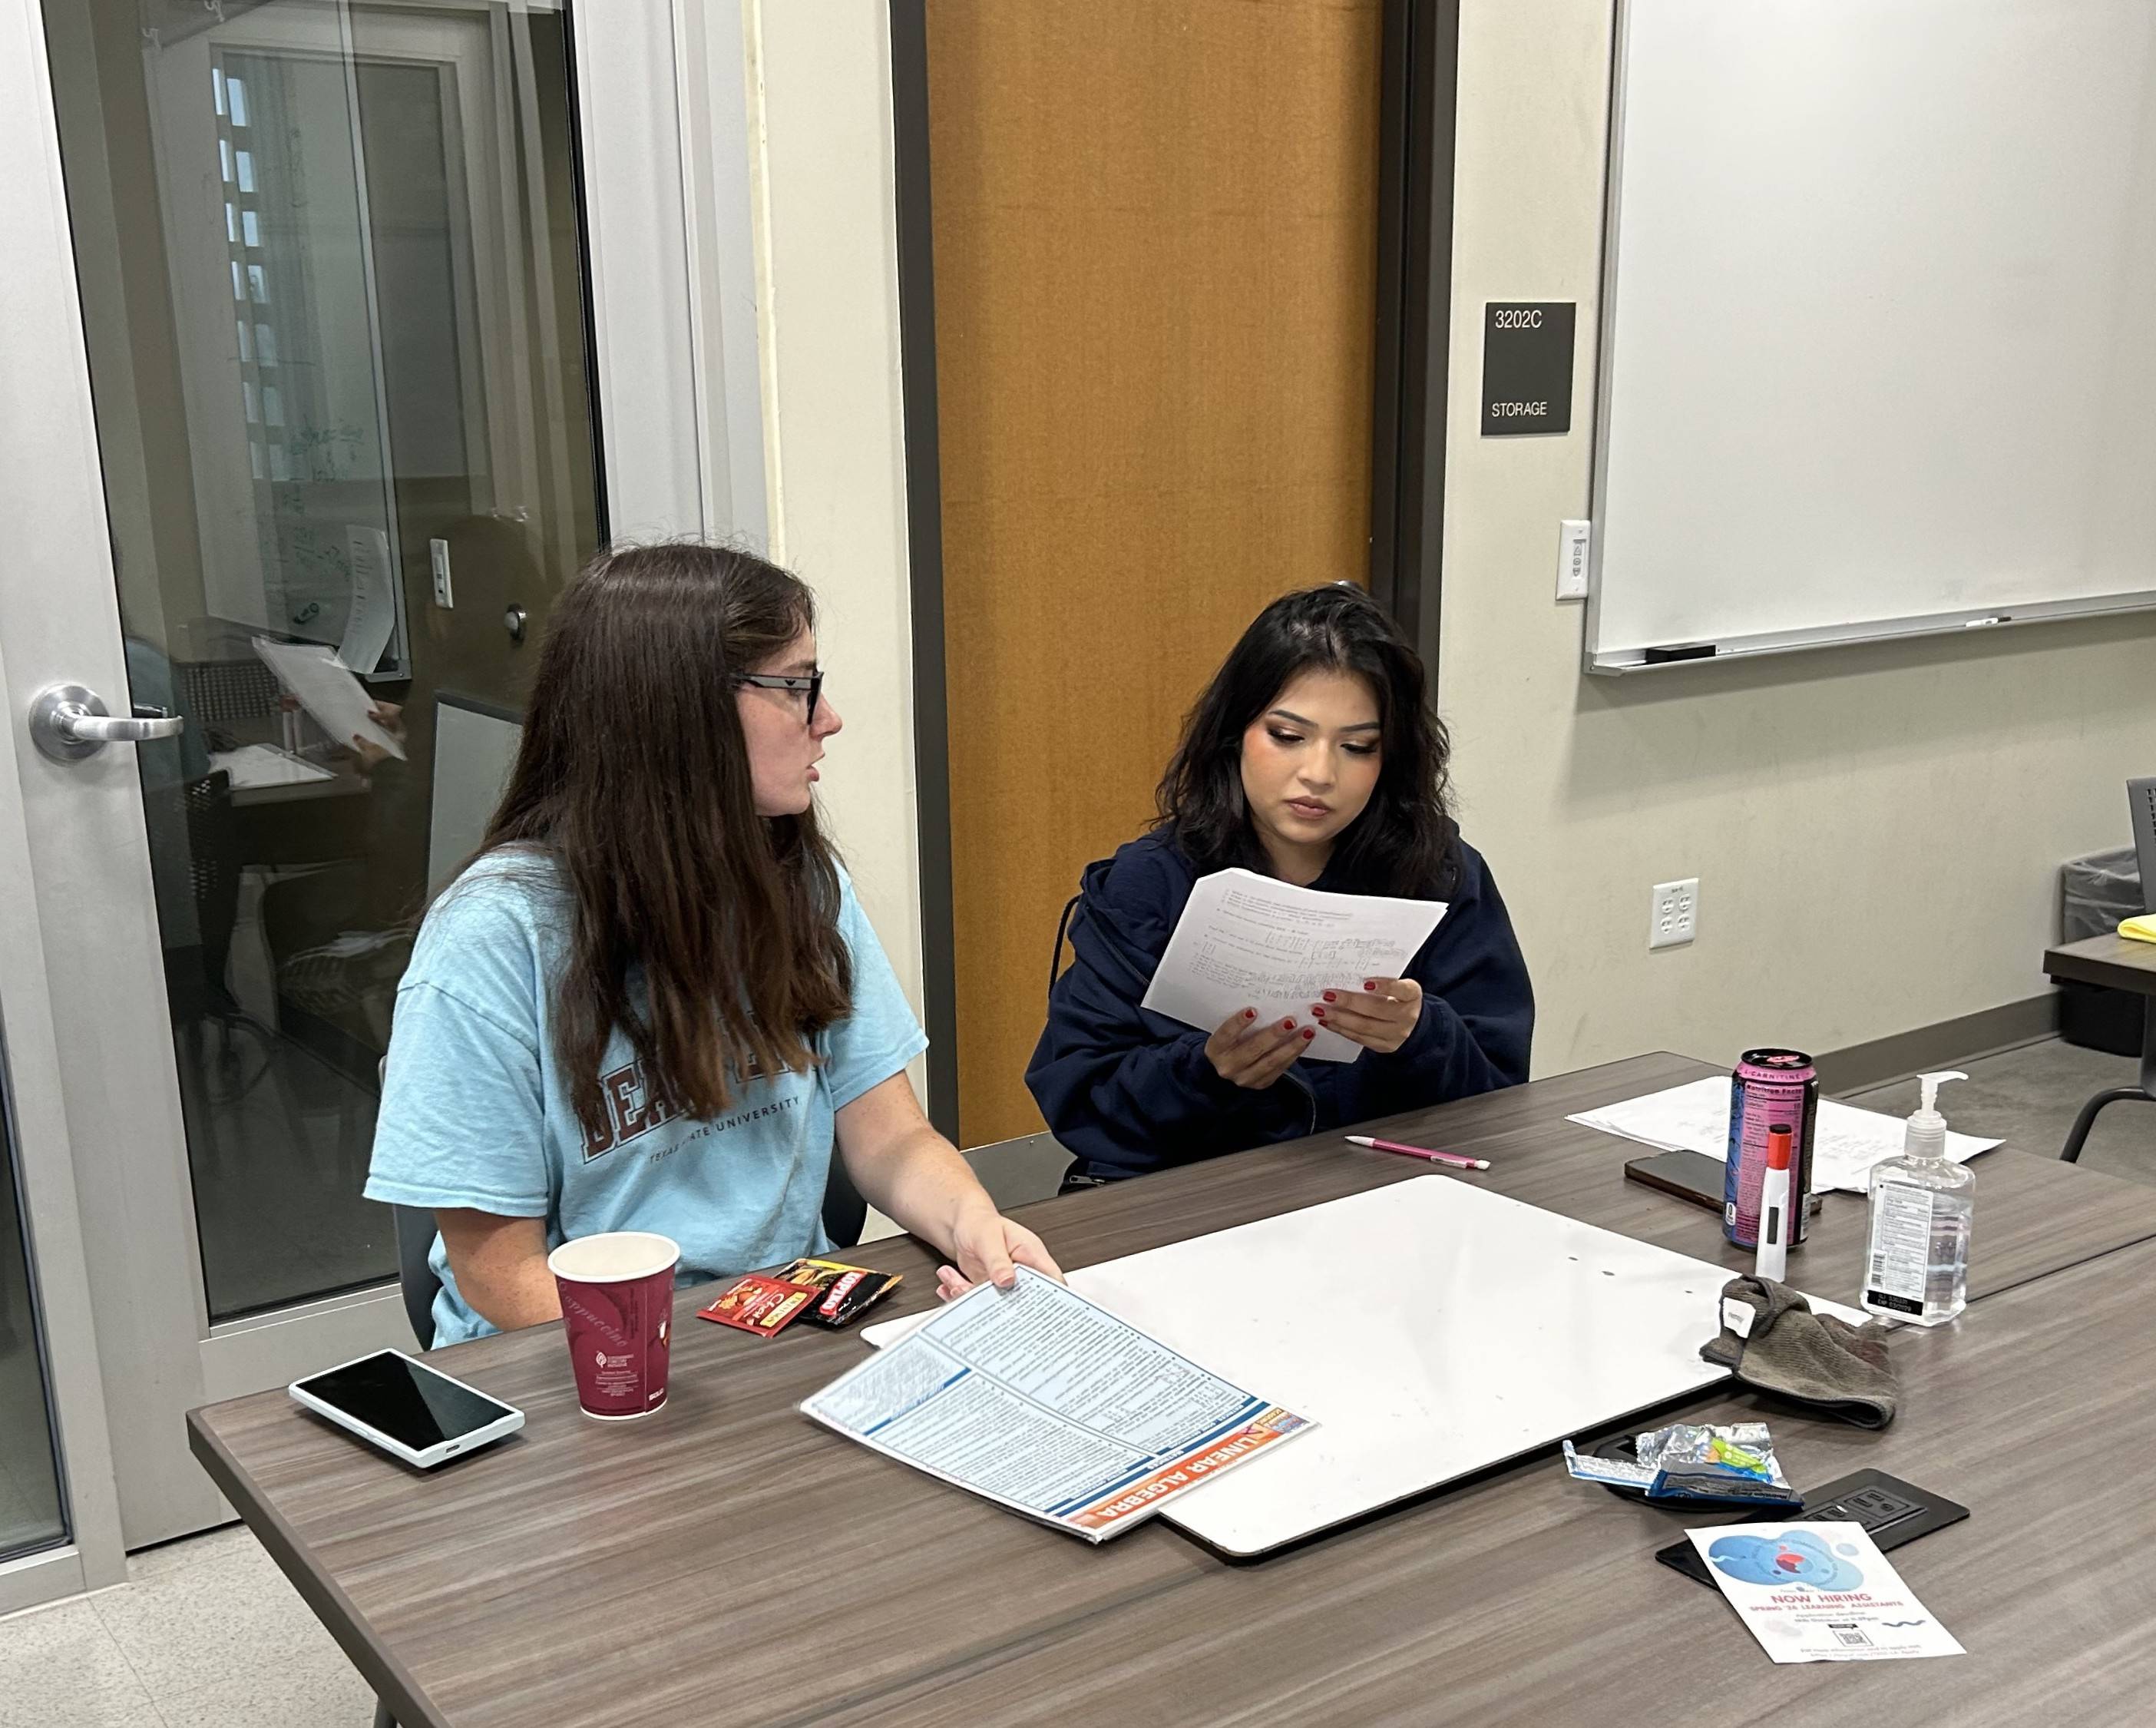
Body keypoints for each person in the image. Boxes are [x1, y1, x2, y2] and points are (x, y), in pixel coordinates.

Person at [366, 542, 1059, 1343]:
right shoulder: (495, 937)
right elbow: (501, 1274)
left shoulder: (796, 881)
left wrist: (974, 1221)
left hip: (776, 1328)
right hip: (585, 1361)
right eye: (799, 687)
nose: (827, 718)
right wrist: (695, 1367)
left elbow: (892, 1137)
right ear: (680, 712)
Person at [1026, 583, 1532, 1184]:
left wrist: (1423, 1036)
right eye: (1287, 737)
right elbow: (1080, 1099)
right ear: (1234, 733)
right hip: (1188, 1201)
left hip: (1373, 1199)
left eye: (1357, 747)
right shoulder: (1149, 883)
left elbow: (1500, 1095)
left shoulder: (1439, 872)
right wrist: (1205, 1072)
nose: (1318, 774)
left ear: (1390, 758)